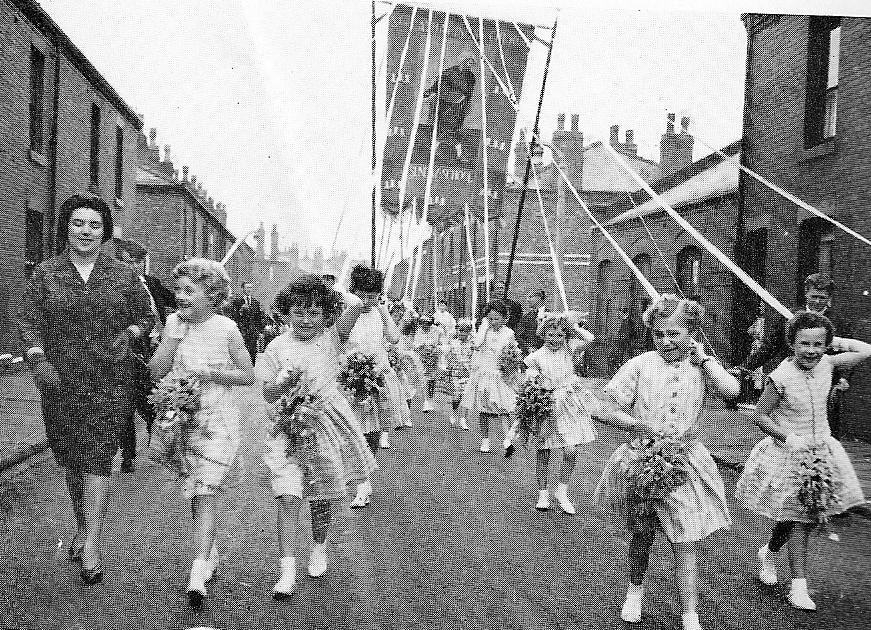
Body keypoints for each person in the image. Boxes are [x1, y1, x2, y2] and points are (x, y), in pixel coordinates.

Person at [16, 194, 154, 585]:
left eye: (95, 225)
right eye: (78, 223)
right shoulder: (46, 274)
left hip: (109, 380)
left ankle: (92, 543)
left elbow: (146, 317)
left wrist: (130, 333)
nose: (86, 231)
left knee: (97, 457)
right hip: (59, 380)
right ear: (67, 227)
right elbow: (29, 320)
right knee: (72, 459)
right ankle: (82, 525)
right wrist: (38, 358)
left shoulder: (125, 276)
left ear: (105, 231)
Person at [593, 295, 739, 630]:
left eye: (674, 333)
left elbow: (732, 392)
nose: (665, 341)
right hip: (643, 461)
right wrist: (636, 425)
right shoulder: (642, 364)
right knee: (642, 534)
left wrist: (706, 362)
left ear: (692, 333)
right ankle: (635, 589)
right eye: (659, 334)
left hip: (685, 464)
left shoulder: (701, 367)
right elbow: (604, 407)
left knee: (685, 540)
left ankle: (690, 614)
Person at [735, 311, 871, 611]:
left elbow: (866, 350)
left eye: (818, 344)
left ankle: (769, 553)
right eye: (804, 344)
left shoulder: (828, 363)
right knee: (798, 519)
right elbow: (759, 415)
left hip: (823, 450)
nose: (811, 351)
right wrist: (789, 439)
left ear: (826, 346)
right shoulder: (780, 377)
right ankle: (798, 587)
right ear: (792, 344)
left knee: (796, 519)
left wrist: (833, 343)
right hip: (789, 454)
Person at [257, 276, 377, 597]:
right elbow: (268, 393)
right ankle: (287, 570)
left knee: (321, 498)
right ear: (285, 313)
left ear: (325, 314)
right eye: (298, 311)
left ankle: (319, 545)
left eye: (315, 312)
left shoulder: (331, 338)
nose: (306, 319)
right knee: (287, 494)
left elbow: (353, 304)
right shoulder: (276, 347)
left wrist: (322, 289)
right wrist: (282, 385)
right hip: (289, 426)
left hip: (325, 425)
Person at [149, 258, 255, 607]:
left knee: (205, 492)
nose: (179, 296)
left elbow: (247, 374)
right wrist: (172, 339)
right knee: (197, 492)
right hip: (184, 421)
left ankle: (197, 573)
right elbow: (156, 371)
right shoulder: (172, 324)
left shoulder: (226, 328)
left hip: (218, 422)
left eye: (188, 290)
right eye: (177, 290)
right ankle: (207, 552)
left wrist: (214, 375)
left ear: (212, 295)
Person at [730, 274, 853, 437]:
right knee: (788, 425)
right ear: (806, 294)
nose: (817, 302)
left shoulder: (840, 323)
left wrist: (844, 378)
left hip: (823, 387)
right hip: (793, 383)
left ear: (829, 298)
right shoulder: (789, 317)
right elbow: (769, 347)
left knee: (824, 434)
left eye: (822, 298)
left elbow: (848, 355)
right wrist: (745, 368)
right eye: (814, 296)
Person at [336, 264, 403, 506]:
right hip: (349, 376)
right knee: (349, 429)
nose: (366, 301)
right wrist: (354, 307)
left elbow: (394, 338)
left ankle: (364, 481)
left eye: (372, 296)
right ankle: (352, 475)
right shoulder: (347, 309)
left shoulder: (379, 312)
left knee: (373, 430)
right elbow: (341, 336)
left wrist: (385, 314)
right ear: (353, 291)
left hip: (376, 375)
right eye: (362, 295)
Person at [518, 313, 596, 514]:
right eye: (551, 335)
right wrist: (536, 381)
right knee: (544, 452)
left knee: (571, 450)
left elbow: (590, 339)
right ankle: (542, 494)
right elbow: (530, 376)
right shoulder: (536, 357)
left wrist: (572, 326)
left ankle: (562, 491)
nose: (555, 340)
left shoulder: (569, 348)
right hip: (546, 405)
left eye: (560, 335)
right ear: (543, 334)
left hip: (569, 404)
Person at [115, 238, 176, 473]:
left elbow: (179, 301)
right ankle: (128, 455)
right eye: (125, 262)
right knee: (124, 407)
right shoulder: (114, 288)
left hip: (155, 353)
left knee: (150, 402)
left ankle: (155, 438)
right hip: (126, 353)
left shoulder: (152, 283)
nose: (130, 267)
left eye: (134, 263)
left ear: (141, 264)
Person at [461, 300, 518, 454]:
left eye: (497, 318)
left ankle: (507, 441)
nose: (493, 322)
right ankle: (485, 440)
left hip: (500, 375)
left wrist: (510, 365)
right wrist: (484, 328)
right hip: (485, 374)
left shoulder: (509, 333)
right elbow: (477, 345)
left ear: (505, 318)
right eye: (490, 318)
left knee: (504, 409)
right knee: (484, 409)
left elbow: (512, 353)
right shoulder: (485, 331)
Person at [440, 319, 474, 430]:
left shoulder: (472, 344)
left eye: (464, 331)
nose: (461, 333)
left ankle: (463, 419)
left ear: (469, 332)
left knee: (466, 396)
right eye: (460, 331)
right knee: (457, 396)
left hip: (468, 373)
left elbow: (475, 358)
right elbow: (448, 357)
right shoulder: (453, 343)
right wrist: (448, 367)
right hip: (455, 372)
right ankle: (454, 412)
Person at [413, 314, 446, 413]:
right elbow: (415, 345)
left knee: (432, 379)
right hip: (422, 358)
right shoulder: (419, 331)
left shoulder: (437, 331)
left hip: (434, 358)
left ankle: (430, 399)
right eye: (422, 323)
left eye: (427, 324)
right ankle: (427, 401)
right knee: (425, 379)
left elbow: (443, 343)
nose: (424, 326)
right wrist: (421, 346)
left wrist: (437, 349)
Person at [228, 280, 266, 363]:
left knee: (252, 353)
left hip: (253, 333)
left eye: (251, 288)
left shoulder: (256, 302)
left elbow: (259, 319)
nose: (249, 289)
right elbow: (233, 317)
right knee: (242, 353)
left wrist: (259, 331)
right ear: (243, 289)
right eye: (247, 288)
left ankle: (252, 371)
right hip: (242, 332)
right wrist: (241, 312)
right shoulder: (237, 302)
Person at [515, 290, 548, 355]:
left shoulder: (550, 315)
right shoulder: (526, 317)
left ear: (539, 298)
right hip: (530, 354)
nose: (527, 300)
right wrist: (528, 348)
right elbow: (518, 335)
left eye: (530, 297)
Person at [609, 306, 638, 375]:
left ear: (625, 313)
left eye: (620, 313)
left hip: (626, 344)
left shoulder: (629, 322)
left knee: (626, 359)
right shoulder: (625, 321)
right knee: (618, 358)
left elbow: (630, 334)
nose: (619, 315)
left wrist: (621, 338)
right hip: (623, 344)